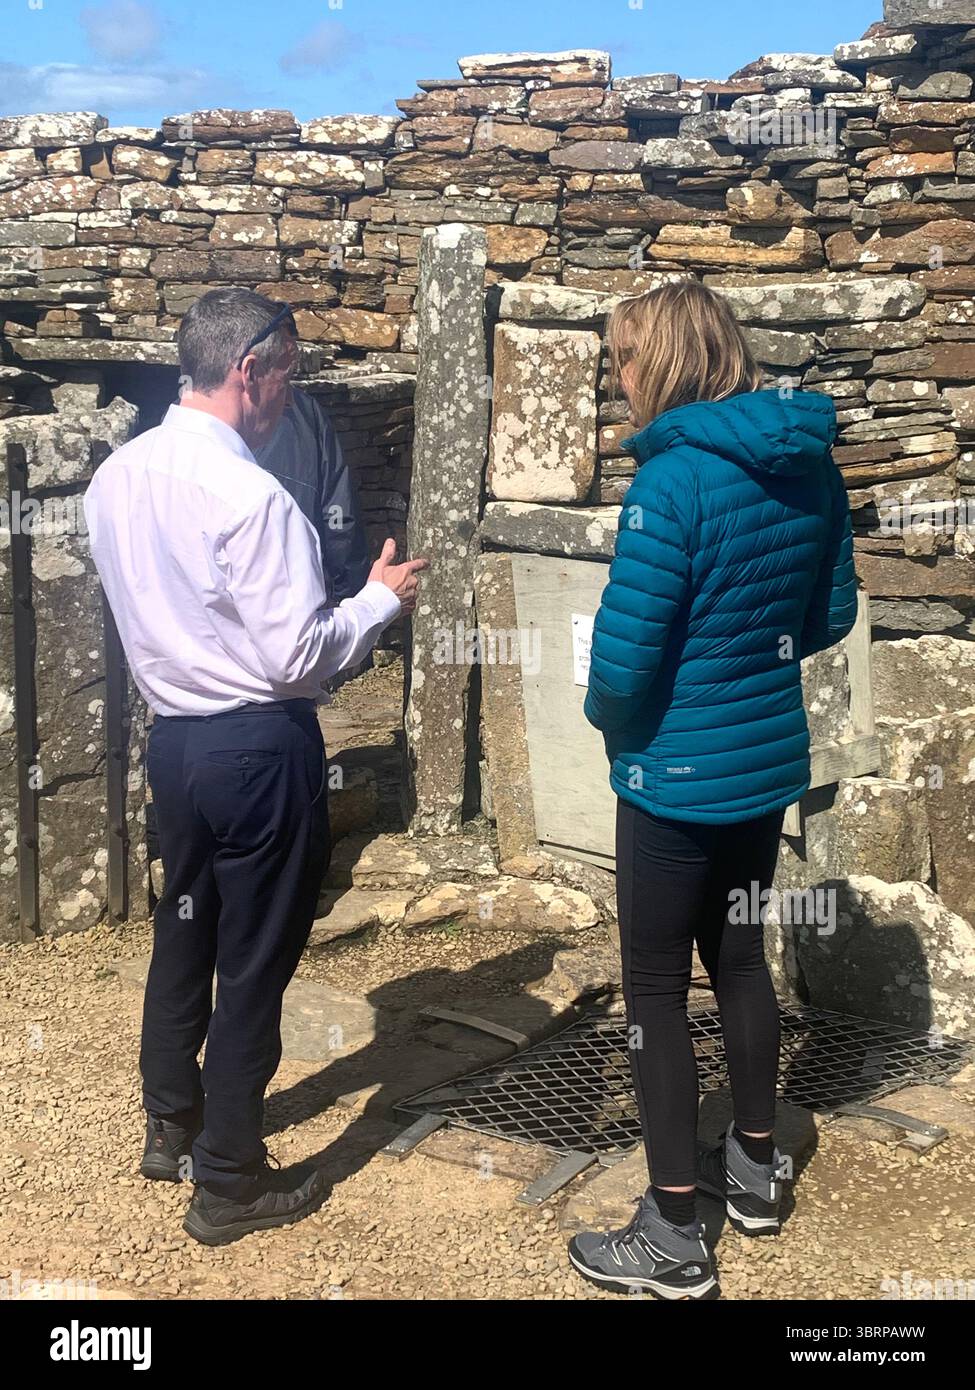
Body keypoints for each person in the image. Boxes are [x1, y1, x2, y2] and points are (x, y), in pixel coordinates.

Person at [84, 288, 428, 1247]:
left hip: (177, 744)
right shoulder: (254, 496)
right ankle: (229, 1180)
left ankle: (171, 1123)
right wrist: (376, 601)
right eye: (291, 373)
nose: (294, 393)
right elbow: (296, 655)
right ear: (251, 371)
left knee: (184, 926)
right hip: (255, 745)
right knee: (256, 959)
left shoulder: (115, 476)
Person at [568, 280, 857, 1299]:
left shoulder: (671, 482)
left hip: (671, 776)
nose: (619, 377)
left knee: (651, 986)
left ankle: (673, 1229)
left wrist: (609, 713)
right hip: (764, 765)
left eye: (625, 359)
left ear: (669, 363)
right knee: (740, 960)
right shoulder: (807, 464)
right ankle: (755, 1166)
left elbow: (626, 658)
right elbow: (828, 613)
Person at [255, 386, 372, 690]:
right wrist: (350, 593)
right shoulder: (306, 412)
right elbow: (338, 512)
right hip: (296, 587)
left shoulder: (183, 419)